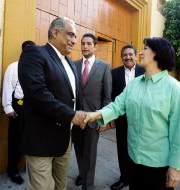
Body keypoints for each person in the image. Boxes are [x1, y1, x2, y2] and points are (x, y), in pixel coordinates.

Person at [84, 37, 180, 190]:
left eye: (145, 49)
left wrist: (176, 168)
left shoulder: (174, 88)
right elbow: (116, 106)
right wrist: (94, 115)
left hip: (158, 165)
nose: (140, 53)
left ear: (157, 54)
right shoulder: (135, 84)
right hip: (133, 160)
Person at [18, 17, 86, 190]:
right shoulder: (35, 53)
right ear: (55, 32)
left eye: (75, 37)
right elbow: (37, 93)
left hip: (64, 140)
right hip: (41, 140)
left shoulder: (70, 62)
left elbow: (74, 97)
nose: (74, 41)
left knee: (60, 186)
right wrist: (72, 115)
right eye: (70, 35)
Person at [72, 33, 112, 190]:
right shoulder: (73, 65)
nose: (85, 46)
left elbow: (107, 96)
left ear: (95, 46)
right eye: (83, 43)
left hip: (93, 119)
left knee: (90, 155)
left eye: (89, 43)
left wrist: (104, 119)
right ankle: (83, 174)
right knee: (79, 152)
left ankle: (88, 186)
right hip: (75, 119)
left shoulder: (104, 67)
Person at [110, 45, 145, 190]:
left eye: (130, 54)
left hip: (142, 119)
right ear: (121, 57)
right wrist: (111, 117)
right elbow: (112, 97)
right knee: (122, 148)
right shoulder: (114, 73)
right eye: (125, 55)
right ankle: (124, 178)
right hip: (122, 119)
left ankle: (138, 177)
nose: (128, 57)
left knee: (139, 148)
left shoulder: (144, 71)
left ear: (136, 56)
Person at [2, 40, 34, 185]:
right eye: (27, 49)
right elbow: (7, 87)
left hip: (32, 108)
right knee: (15, 140)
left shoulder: (36, 67)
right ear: (22, 50)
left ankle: (26, 166)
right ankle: (12, 169)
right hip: (17, 107)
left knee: (29, 139)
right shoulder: (13, 67)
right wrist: (8, 107)